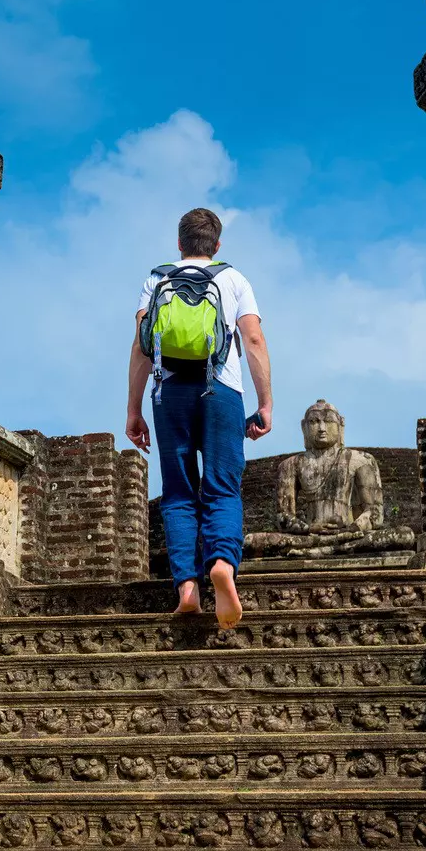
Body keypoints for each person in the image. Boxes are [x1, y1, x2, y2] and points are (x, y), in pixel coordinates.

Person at [125, 207, 272, 628]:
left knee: (177, 492)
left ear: (179, 244)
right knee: (223, 488)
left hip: (168, 392)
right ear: (217, 245)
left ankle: (187, 587)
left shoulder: (156, 280)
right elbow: (254, 339)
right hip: (222, 390)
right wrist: (265, 404)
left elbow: (140, 347)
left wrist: (134, 409)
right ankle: (222, 563)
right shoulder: (233, 279)